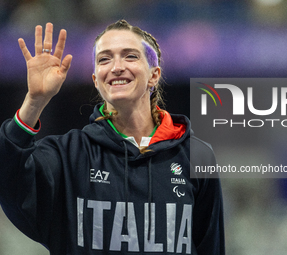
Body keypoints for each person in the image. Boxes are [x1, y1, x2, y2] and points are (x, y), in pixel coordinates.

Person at [0, 20, 225, 254]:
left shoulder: (196, 156)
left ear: (154, 75)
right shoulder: (69, 155)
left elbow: (210, 246)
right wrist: (35, 101)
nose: (116, 67)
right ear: (97, 80)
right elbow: (9, 178)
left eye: (130, 56)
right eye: (104, 59)